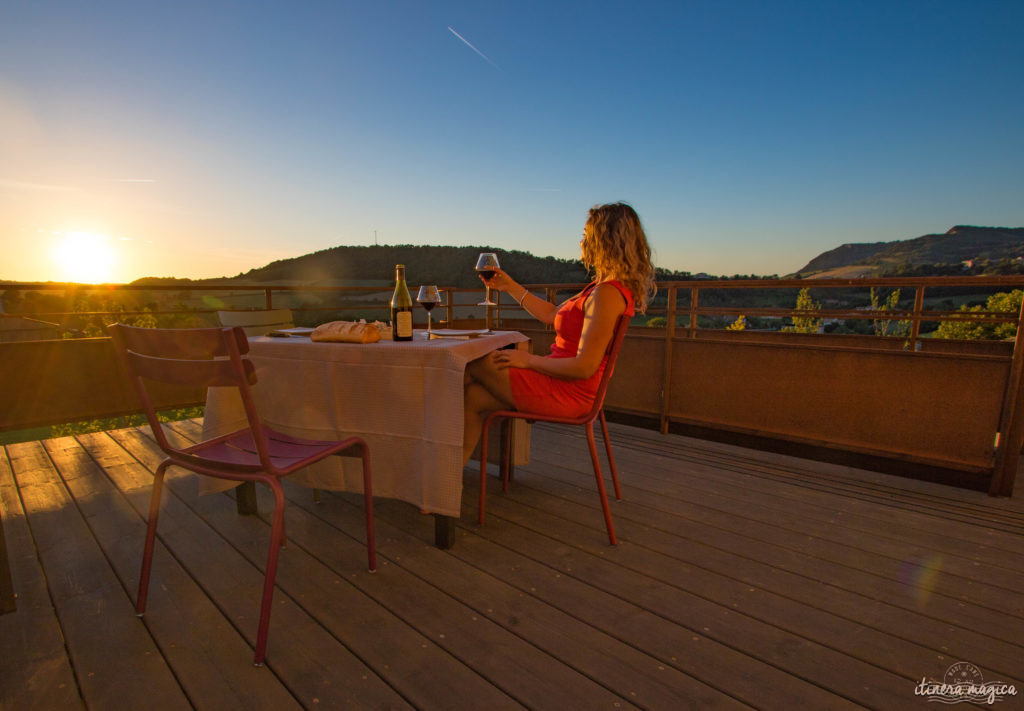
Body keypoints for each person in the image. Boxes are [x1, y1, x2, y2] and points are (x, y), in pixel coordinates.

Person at [463, 202, 657, 466]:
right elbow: (552, 315)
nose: (581, 241)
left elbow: (584, 367)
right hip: (557, 380)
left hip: (569, 392)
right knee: (473, 397)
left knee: (470, 363)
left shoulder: (608, 294)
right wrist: (509, 286)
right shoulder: (599, 288)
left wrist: (528, 361)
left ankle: (418, 433)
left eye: (586, 235)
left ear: (604, 240)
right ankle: (446, 485)